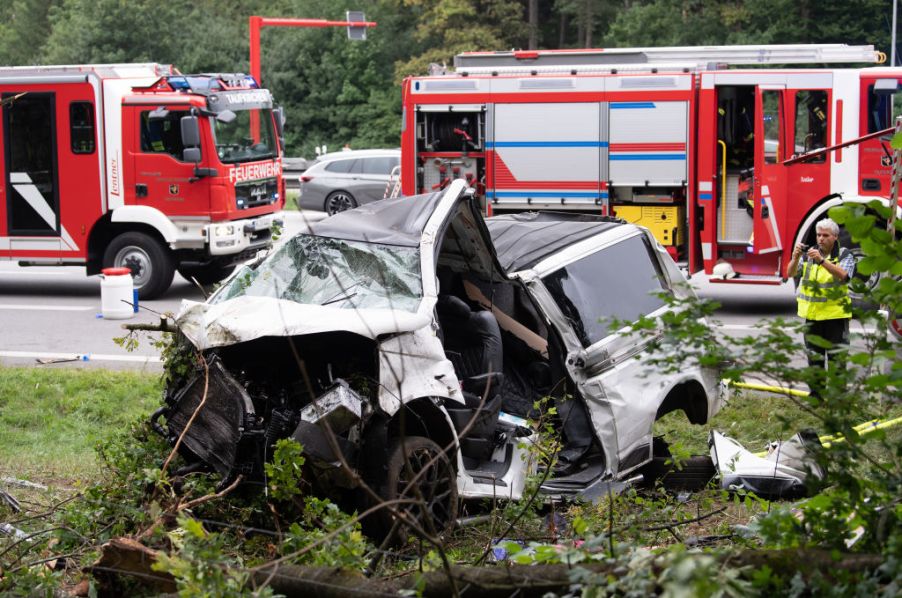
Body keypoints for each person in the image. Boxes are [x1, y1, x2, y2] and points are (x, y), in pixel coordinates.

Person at [787, 218, 856, 396]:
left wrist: (822, 262)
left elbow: (844, 276)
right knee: (814, 360)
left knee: (837, 360)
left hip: (835, 317)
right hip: (812, 316)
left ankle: (837, 399)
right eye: (818, 235)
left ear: (835, 237)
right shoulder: (809, 254)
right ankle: (816, 398)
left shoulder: (845, 254)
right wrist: (795, 258)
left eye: (825, 235)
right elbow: (791, 273)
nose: (821, 239)